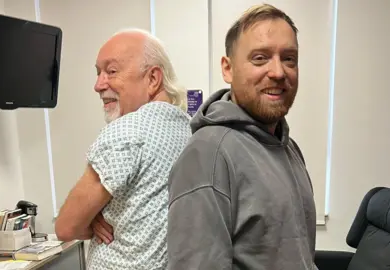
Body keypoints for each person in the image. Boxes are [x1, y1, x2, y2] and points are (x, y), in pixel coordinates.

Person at [167, 4, 318, 270]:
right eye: (260, 58)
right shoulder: (209, 154)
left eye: (289, 58)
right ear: (228, 69)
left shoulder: (289, 148)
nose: (279, 72)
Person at [54, 28, 192, 270]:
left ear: (152, 79)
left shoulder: (127, 131)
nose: (98, 85)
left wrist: (89, 220)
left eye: (111, 71)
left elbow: (66, 227)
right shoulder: (187, 127)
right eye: (98, 73)